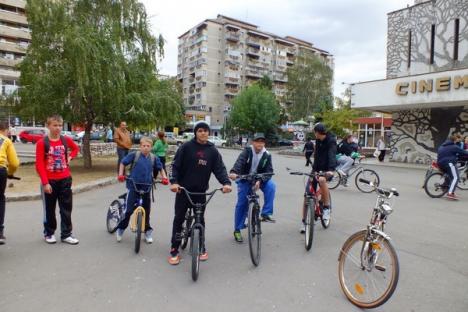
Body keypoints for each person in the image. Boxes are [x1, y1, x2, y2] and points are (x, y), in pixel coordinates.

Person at [168, 121, 232, 265]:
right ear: (196, 132)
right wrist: (174, 182)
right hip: (183, 190)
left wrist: (226, 183)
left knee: (200, 220)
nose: (203, 133)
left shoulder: (212, 150)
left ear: (208, 133)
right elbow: (174, 166)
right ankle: (174, 248)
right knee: (178, 219)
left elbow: (219, 169)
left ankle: (201, 245)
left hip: (200, 192)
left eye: (205, 131)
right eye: (200, 130)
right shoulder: (186, 147)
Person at [36, 115, 80, 244]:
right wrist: (45, 183)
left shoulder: (65, 140)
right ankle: (49, 233)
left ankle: (66, 234)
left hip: (65, 179)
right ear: (48, 126)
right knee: (50, 209)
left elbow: (76, 148)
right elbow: (39, 165)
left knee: (66, 208)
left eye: (60, 125)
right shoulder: (42, 143)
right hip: (50, 181)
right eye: (55, 125)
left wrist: (70, 157)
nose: (58, 128)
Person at [116, 137, 168, 243]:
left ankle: (147, 232)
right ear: (140, 146)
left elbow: (161, 168)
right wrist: (121, 174)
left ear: (151, 147)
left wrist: (164, 177)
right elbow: (122, 163)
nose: (145, 148)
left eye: (148, 146)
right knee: (129, 210)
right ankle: (121, 228)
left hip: (146, 187)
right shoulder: (134, 155)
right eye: (143, 146)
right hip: (133, 186)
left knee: (146, 211)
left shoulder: (154, 158)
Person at [229, 133, 276, 243]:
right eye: (257, 141)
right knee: (242, 203)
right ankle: (237, 229)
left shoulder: (267, 155)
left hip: (260, 179)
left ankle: (266, 213)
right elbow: (239, 163)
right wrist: (233, 172)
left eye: (262, 141)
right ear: (253, 142)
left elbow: (269, 172)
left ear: (264, 143)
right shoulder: (247, 151)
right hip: (245, 178)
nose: (260, 143)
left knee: (271, 186)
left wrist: (260, 180)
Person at [300, 123, 336, 233]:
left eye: (314, 132)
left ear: (317, 132)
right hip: (317, 169)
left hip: (327, 170)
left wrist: (330, 170)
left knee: (321, 180)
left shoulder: (331, 141)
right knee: (307, 194)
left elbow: (332, 155)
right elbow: (316, 157)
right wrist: (314, 170)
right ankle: (303, 221)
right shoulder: (318, 141)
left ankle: (326, 208)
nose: (314, 134)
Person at [0, 121, 20, 244]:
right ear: (6, 130)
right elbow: (14, 163)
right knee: (0, 199)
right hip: (0, 170)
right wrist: (10, 173)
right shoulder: (6, 141)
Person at [437, 133, 468, 201]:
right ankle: (450, 193)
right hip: (448, 163)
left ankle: (445, 187)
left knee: (449, 175)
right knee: (456, 177)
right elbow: (464, 153)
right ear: (456, 139)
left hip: (440, 164)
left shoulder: (442, 145)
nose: (460, 141)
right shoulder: (454, 146)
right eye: (459, 139)